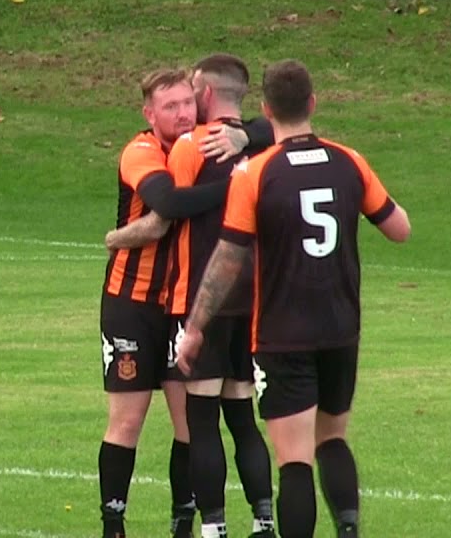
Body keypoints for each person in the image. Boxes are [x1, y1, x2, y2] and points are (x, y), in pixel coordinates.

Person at [176, 60, 411, 538]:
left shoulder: (256, 173)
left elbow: (227, 259)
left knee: (294, 461)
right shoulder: (350, 161)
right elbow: (399, 229)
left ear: (265, 109)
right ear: (313, 103)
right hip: (341, 329)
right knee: (333, 440)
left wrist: (195, 327)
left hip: (283, 333)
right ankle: (349, 531)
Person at [106, 55, 276, 538]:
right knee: (132, 420)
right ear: (149, 113)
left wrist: (244, 148)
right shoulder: (143, 149)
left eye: (187, 101)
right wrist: (242, 178)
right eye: (171, 106)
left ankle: (195, 524)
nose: (183, 112)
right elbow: (169, 204)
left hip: (192, 301)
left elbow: (267, 125)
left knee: (195, 421)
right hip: (142, 300)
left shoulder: (200, 143)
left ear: (202, 98)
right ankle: (113, 524)